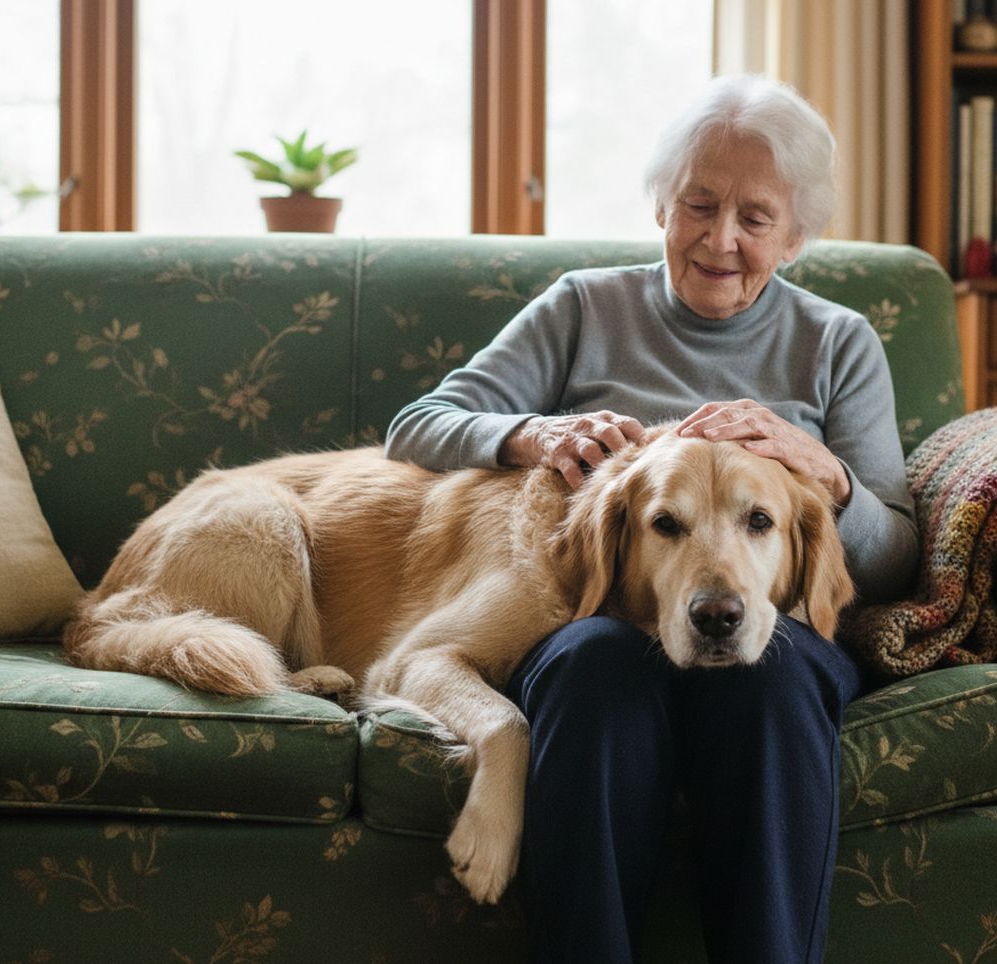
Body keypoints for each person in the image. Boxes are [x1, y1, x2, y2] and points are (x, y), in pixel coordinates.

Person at [385, 74, 918, 964]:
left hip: (767, 621)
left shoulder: (837, 342)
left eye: (754, 218)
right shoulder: (584, 305)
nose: (720, 239)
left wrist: (829, 476)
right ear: (662, 207)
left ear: (795, 236)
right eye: (698, 205)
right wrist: (534, 431)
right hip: (610, 608)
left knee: (777, 679)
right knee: (591, 664)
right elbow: (417, 428)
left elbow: (897, 557)